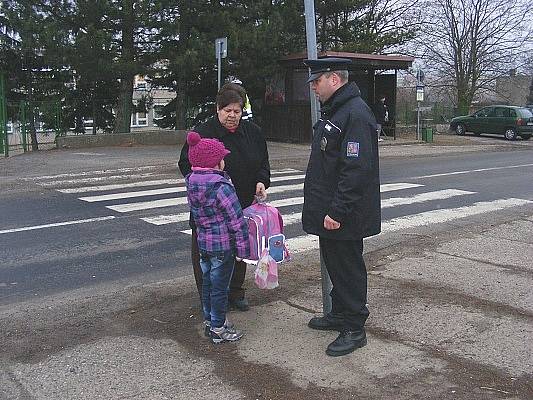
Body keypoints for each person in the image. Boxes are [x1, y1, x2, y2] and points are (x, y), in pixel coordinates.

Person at [302, 57, 381, 357]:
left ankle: (354, 327)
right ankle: (339, 313)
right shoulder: (337, 110)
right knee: (336, 263)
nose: (312, 87)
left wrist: (337, 211)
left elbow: (356, 169)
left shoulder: (355, 114)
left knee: (348, 268)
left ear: (334, 79)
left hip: (345, 214)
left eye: (316, 80)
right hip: (332, 210)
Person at [179, 83, 271, 311]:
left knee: (240, 249)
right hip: (209, 209)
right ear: (217, 109)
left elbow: (263, 164)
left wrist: (261, 181)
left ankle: (235, 291)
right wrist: (206, 185)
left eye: (237, 111)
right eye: (227, 110)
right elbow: (185, 164)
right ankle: (208, 298)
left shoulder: (253, 133)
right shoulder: (203, 133)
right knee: (207, 256)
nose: (232, 116)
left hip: (241, 204)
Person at [184, 131, 249, 343]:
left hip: (204, 243)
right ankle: (219, 328)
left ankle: (210, 320)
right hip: (222, 246)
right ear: (215, 163)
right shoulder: (222, 187)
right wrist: (242, 250)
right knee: (221, 287)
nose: (224, 161)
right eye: (222, 158)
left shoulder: (192, 183)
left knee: (208, 284)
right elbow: (236, 220)